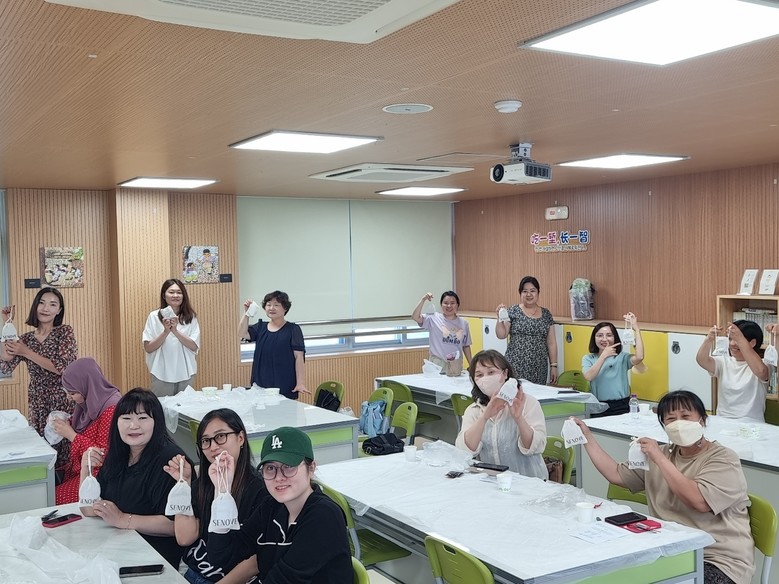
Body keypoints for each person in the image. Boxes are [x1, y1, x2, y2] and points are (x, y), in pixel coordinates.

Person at [573, 390, 754, 584]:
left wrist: (658, 458)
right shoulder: (662, 453)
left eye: (686, 416)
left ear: (702, 420)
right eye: (671, 419)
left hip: (717, 560)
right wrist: (587, 438)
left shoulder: (723, 458)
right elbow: (616, 474)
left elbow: (699, 501)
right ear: (664, 426)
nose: (679, 424)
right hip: (671, 550)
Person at [210, 426, 351, 583]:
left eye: (288, 466)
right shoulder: (270, 507)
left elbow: (283, 580)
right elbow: (222, 557)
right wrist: (222, 493)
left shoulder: (324, 516)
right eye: (271, 468)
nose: (279, 477)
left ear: (311, 468)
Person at [80, 388, 188, 568]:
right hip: (118, 544)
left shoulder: (170, 461)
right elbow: (88, 508)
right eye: (126, 418)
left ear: (157, 422)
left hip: (154, 558)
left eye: (143, 418)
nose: (133, 425)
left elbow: (174, 526)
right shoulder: (120, 453)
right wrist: (86, 468)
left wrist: (123, 519)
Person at [163, 408, 266, 584]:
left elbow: (256, 561)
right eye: (206, 441)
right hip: (192, 573)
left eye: (220, 436)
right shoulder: (204, 484)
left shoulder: (260, 491)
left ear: (241, 438)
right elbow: (184, 537)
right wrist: (184, 484)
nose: (213, 447)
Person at [0, 288, 78, 467]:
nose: (46, 308)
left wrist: (26, 352)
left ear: (59, 310)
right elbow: (5, 363)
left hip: (62, 398)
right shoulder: (26, 339)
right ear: (35, 306)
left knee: (63, 447)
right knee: (41, 449)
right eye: (42, 303)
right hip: (37, 400)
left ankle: (65, 483)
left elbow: (62, 367)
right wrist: (7, 324)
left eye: (52, 304)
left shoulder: (64, 332)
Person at [455, 350, 548, 479]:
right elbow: (465, 450)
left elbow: (534, 447)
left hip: (528, 481)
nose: (485, 378)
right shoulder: (474, 410)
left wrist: (519, 418)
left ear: (505, 374)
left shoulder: (528, 403)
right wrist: (485, 417)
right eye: (479, 375)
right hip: (490, 482)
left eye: (491, 372)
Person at [53, 357, 121, 504]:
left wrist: (71, 435)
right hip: (85, 468)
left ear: (86, 386)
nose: (69, 398)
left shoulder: (111, 409)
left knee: (54, 498)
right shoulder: (90, 401)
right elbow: (84, 425)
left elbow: (102, 454)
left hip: (101, 473)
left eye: (72, 393)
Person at [239, 291, 309, 399]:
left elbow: (299, 357)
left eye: (276, 305)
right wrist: (247, 313)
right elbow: (242, 333)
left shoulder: (293, 329)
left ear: (285, 308)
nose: (271, 308)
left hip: (284, 384)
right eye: (268, 305)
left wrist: (300, 383)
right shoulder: (260, 327)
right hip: (260, 385)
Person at [696, 320, 769, 422]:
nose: (732, 344)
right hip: (723, 421)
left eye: (736, 340)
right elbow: (702, 360)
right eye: (730, 339)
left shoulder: (764, 364)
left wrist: (741, 339)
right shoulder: (724, 361)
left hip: (751, 424)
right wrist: (708, 339)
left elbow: (761, 372)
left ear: (752, 343)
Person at [143, 279, 200, 397]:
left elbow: (194, 346)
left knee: (185, 406)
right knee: (161, 406)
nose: (175, 295)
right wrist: (166, 331)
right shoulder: (154, 316)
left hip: (186, 372)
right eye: (171, 292)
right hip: (161, 372)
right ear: (164, 295)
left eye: (179, 292)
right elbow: (148, 348)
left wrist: (175, 331)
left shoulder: (190, 317)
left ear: (184, 296)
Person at [496, 276, 558, 384]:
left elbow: (551, 343)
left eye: (532, 291)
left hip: (539, 367)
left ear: (538, 292)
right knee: (514, 392)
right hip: (515, 364)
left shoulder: (546, 314)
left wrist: (554, 366)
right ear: (520, 293)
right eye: (525, 291)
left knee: (536, 393)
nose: (529, 294)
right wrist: (499, 318)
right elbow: (501, 335)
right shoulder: (513, 310)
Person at [582, 314, 645, 417]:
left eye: (609, 335)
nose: (604, 339)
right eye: (600, 335)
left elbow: (639, 357)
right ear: (594, 338)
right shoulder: (588, 358)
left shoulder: (622, 357)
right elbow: (588, 376)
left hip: (621, 405)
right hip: (598, 406)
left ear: (615, 338)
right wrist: (603, 356)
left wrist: (636, 329)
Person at [412, 291, 472, 373]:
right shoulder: (433, 318)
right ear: (441, 305)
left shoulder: (464, 323)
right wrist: (423, 300)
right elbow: (415, 317)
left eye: (452, 303)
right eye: (446, 303)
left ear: (457, 305)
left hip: (455, 364)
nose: (449, 306)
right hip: (437, 364)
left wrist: (471, 364)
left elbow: (466, 346)